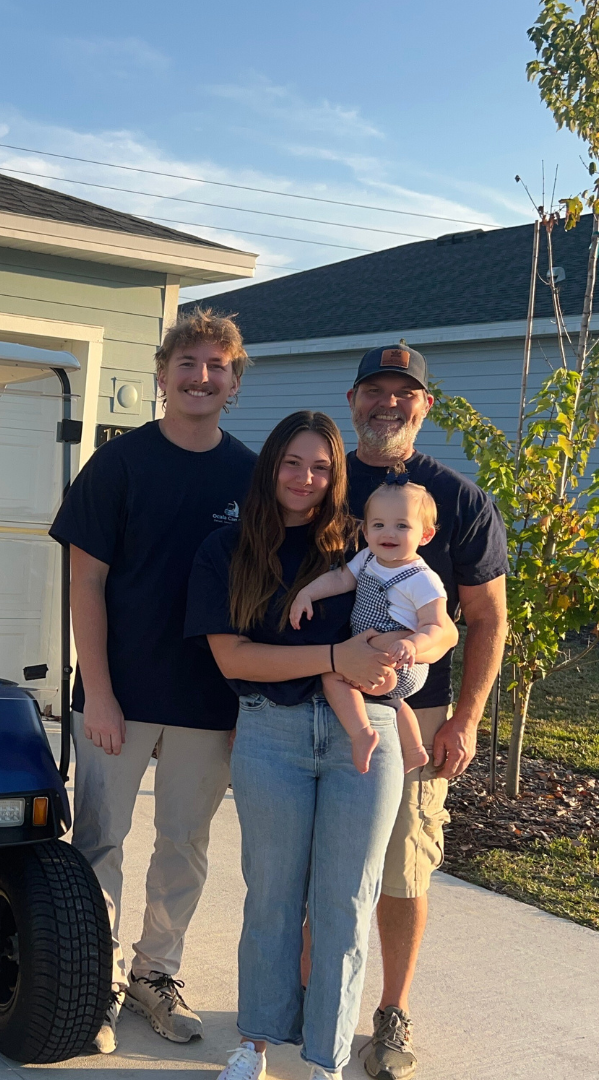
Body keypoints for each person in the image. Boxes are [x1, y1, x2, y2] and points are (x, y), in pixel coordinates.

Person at [185, 410, 457, 1080]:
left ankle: (326, 1060)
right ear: (270, 465)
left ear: (337, 475)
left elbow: (443, 625)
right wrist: (336, 655)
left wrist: (415, 647)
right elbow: (234, 660)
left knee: (346, 901)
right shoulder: (227, 549)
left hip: (364, 736)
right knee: (272, 897)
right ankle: (254, 1047)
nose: (305, 478)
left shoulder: (363, 542)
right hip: (272, 734)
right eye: (292, 462)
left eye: (321, 466)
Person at [49, 309, 258, 1054]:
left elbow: (261, 592)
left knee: (185, 846)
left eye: (218, 367)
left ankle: (154, 976)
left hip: (208, 699)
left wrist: (248, 702)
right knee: (101, 841)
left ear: (234, 383)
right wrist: (98, 691)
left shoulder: (250, 474)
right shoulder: (118, 465)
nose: (202, 377)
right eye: (189, 363)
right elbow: (85, 585)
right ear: (164, 374)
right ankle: (95, 979)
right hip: (121, 694)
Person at [344, 343, 508, 1080]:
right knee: (316, 868)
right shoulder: (314, 481)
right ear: (352, 402)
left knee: (403, 872)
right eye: (373, 390)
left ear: (425, 406)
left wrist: (464, 720)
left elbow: (486, 618)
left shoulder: (459, 502)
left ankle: (391, 1013)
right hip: (315, 703)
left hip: (415, 717)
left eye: (402, 392)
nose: (387, 402)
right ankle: (311, 997)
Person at [290, 477, 457, 775]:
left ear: (426, 535)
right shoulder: (368, 558)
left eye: (402, 526)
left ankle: (362, 734)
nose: (388, 533)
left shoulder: (422, 579)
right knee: (393, 700)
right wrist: (307, 593)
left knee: (333, 675)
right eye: (378, 525)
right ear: (365, 531)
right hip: (381, 658)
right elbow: (341, 579)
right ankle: (415, 750)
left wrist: (411, 644)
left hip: (401, 660)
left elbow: (435, 626)